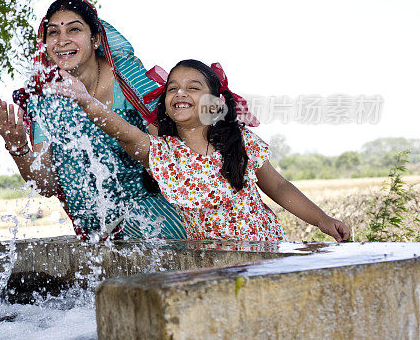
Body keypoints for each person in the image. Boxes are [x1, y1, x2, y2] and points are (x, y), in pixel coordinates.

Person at [49, 58, 351, 242]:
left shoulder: (240, 143)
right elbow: (126, 134)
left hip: (264, 251)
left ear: (216, 103)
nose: (180, 93)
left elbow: (280, 186)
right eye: (172, 88)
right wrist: (86, 101)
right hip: (210, 266)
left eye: (193, 87)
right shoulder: (164, 154)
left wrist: (322, 220)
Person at [0, 0, 187, 241]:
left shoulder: (128, 80)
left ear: (95, 39)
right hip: (93, 229)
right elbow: (47, 185)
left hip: (150, 211)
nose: (62, 41)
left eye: (74, 29)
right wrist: (18, 147)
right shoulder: (45, 99)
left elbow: (169, 151)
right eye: (53, 33)